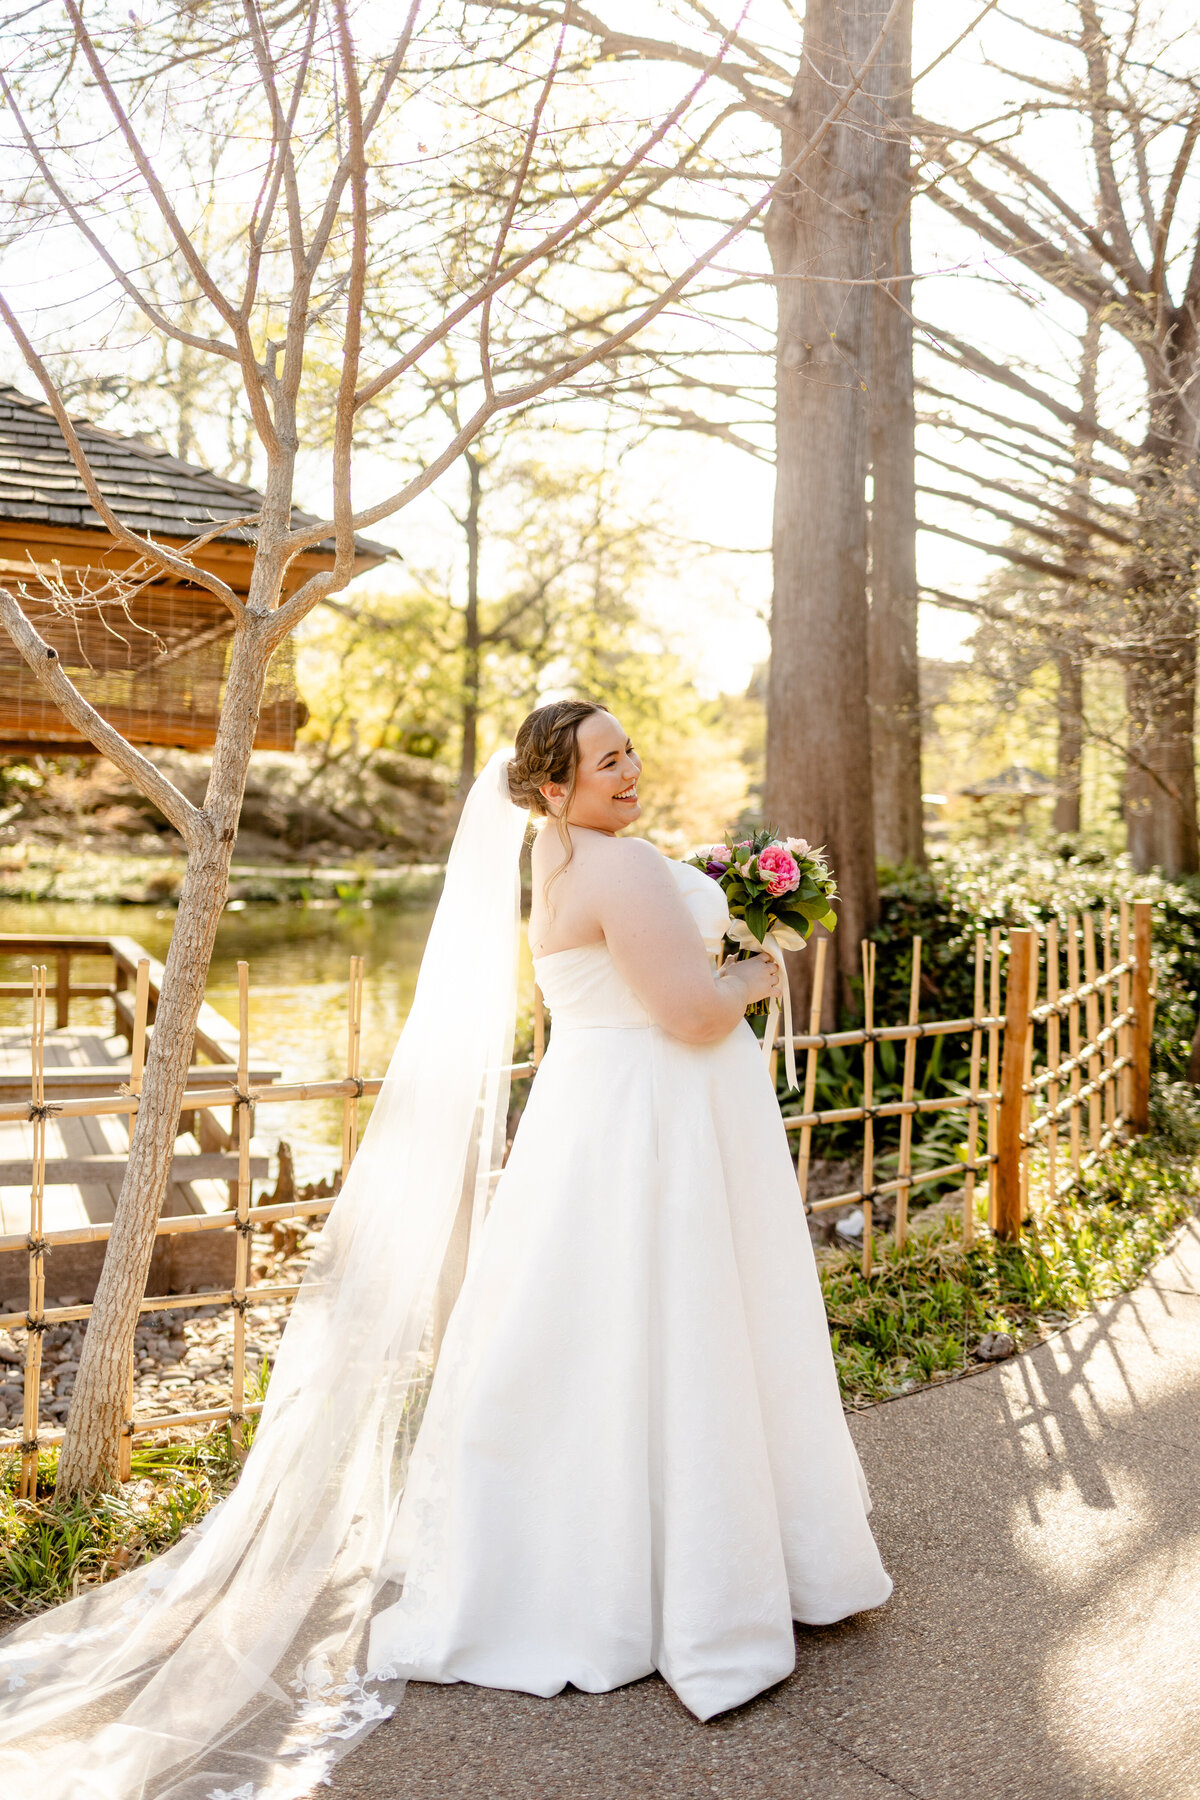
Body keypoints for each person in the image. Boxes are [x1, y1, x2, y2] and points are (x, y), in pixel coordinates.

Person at [0, 699, 890, 1798]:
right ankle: (695, 1580)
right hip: (656, 1127)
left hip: (592, 1123)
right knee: (682, 1325)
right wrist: (756, 973)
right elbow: (693, 1016)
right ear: (554, 787)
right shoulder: (622, 867)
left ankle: (587, 1556)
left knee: (593, 1338)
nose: (632, 767)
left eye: (629, 751)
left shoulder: (560, 865)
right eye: (606, 760)